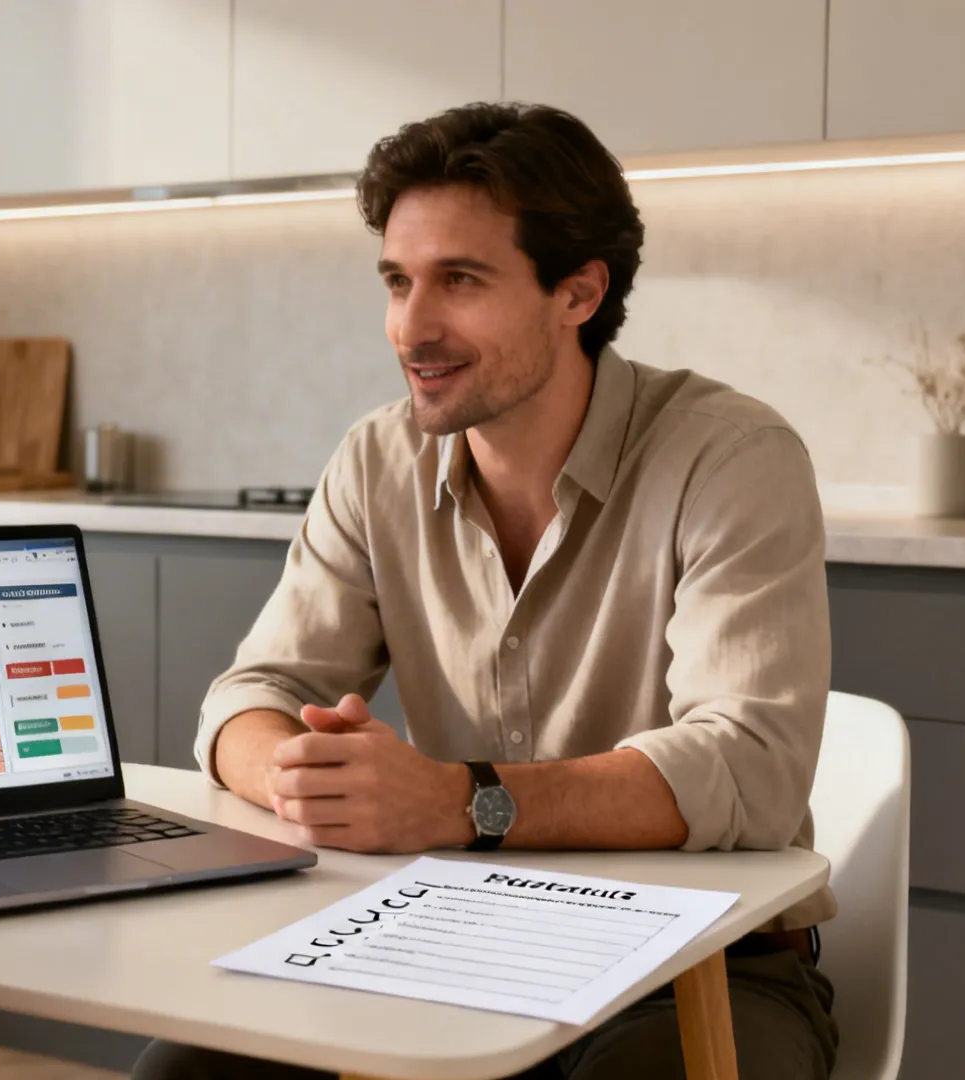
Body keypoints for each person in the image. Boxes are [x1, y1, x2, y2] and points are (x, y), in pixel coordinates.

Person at [133, 103, 839, 1080]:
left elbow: (750, 770)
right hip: (451, 947)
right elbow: (250, 698)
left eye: (459, 280)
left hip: (703, 969)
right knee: (187, 1075)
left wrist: (463, 804)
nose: (411, 327)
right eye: (397, 281)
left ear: (578, 292)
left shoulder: (731, 457)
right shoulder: (376, 461)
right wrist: (308, 780)